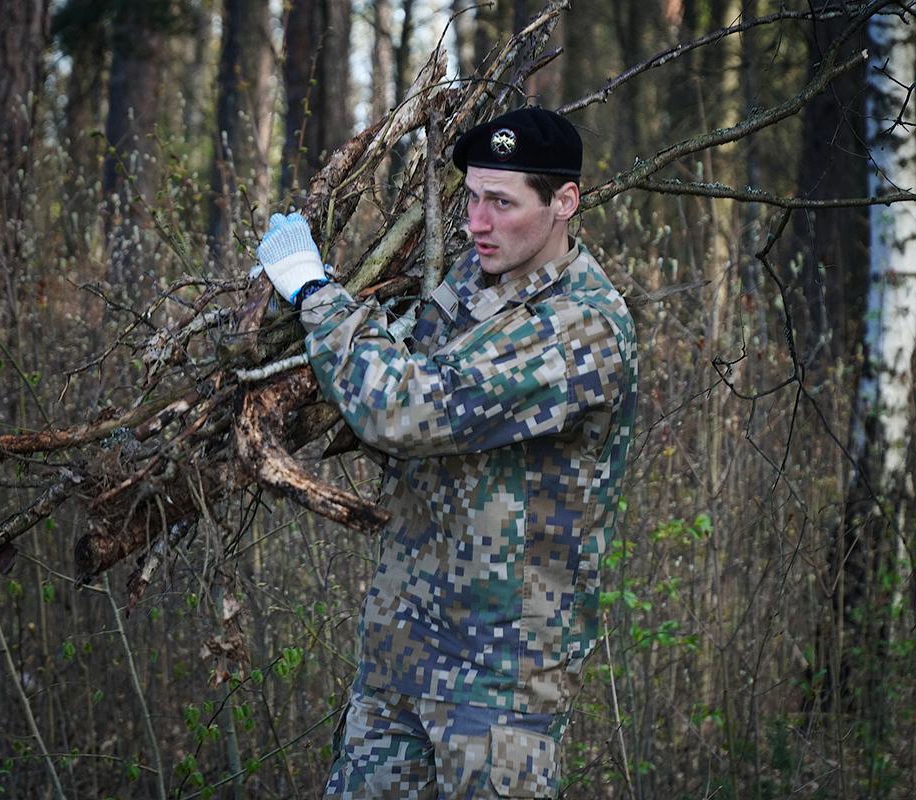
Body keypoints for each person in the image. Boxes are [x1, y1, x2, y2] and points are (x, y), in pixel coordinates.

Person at [255, 106, 638, 799]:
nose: (477, 223)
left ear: (565, 203)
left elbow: (404, 407)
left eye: (502, 202)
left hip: (497, 686)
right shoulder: (474, 278)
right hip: (400, 656)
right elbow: (402, 352)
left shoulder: (582, 332)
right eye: (471, 198)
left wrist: (315, 294)